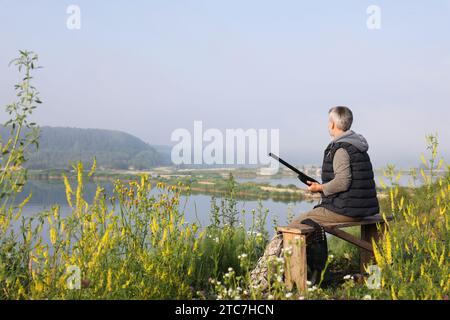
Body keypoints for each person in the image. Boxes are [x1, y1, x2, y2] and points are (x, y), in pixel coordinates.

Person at [250, 106, 380, 288]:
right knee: (308, 223)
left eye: (329, 121)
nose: (328, 125)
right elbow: (350, 183)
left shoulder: (341, 149)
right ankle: (371, 280)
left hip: (347, 210)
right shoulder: (357, 145)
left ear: (333, 124)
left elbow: (343, 182)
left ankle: (292, 283)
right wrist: (322, 188)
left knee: (294, 227)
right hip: (363, 208)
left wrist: (320, 187)